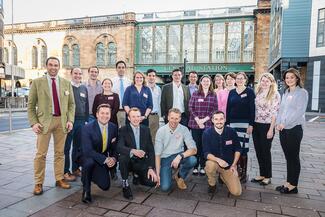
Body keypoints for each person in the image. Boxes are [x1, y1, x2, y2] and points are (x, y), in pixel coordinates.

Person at [27, 57, 75, 195]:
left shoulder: (66, 83)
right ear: (46, 66)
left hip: (62, 122)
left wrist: (70, 120)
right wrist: (34, 123)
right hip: (44, 123)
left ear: (59, 67)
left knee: (60, 153)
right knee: (41, 154)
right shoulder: (37, 83)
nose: (53, 67)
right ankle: (38, 182)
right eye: (51, 65)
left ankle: (59, 179)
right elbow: (30, 106)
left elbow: (72, 104)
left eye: (56, 65)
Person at [275, 68, 308, 194]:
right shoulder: (286, 92)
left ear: (297, 78)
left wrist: (284, 123)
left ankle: (293, 185)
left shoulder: (302, 93)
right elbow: (281, 110)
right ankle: (288, 182)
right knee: (288, 157)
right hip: (283, 129)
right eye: (287, 78)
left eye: (292, 77)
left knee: (294, 157)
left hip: (294, 128)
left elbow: (299, 112)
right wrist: (278, 123)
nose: (289, 80)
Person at [117, 108, 158, 200]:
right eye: (133, 116)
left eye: (138, 116)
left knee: (152, 182)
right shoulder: (123, 130)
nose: (136, 119)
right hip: (129, 160)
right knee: (123, 157)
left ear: (141, 118)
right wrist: (133, 151)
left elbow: (151, 150)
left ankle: (137, 175)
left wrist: (151, 168)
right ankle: (125, 183)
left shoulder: (146, 130)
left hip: (141, 161)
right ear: (129, 118)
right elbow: (119, 147)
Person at [81, 104, 118, 203]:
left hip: (101, 157)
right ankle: (86, 189)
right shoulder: (87, 128)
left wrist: (113, 159)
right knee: (89, 163)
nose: (104, 116)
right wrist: (106, 160)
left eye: (107, 113)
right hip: (87, 156)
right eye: (102, 113)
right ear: (97, 114)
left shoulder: (113, 127)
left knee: (105, 186)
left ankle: (91, 174)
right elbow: (88, 151)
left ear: (110, 115)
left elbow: (115, 148)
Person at [155, 108, 197, 192]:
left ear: (180, 119)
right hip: (165, 158)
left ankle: (179, 176)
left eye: (177, 118)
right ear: (168, 117)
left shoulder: (184, 129)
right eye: (172, 118)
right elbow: (157, 155)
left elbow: (194, 149)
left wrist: (180, 156)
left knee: (192, 160)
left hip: (179, 156)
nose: (174, 121)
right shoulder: (161, 131)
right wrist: (157, 174)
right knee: (165, 188)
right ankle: (167, 173)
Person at [203, 111, 242, 196]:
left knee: (237, 192)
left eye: (221, 119)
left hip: (228, 165)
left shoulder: (232, 132)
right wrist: (218, 160)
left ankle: (222, 176)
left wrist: (234, 165)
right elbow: (206, 153)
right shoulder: (207, 133)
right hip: (215, 162)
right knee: (210, 165)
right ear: (212, 120)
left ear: (225, 120)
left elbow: (238, 149)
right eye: (216, 119)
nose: (219, 121)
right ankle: (212, 184)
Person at [251, 73, 280, 186]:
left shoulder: (275, 94)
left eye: (267, 81)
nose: (264, 83)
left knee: (265, 151)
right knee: (258, 150)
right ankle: (262, 174)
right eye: (262, 80)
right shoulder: (258, 92)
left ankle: (268, 176)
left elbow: (275, 113)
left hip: (267, 125)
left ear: (272, 82)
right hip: (256, 124)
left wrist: (271, 129)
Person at [226, 72, 255, 183]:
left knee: (243, 149)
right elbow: (228, 109)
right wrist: (227, 123)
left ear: (245, 80)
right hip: (232, 123)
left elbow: (252, 109)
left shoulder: (249, 92)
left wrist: (251, 124)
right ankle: (236, 170)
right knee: (234, 148)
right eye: (237, 78)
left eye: (241, 78)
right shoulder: (232, 92)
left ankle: (243, 173)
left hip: (244, 124)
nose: (239, 80)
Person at [188, 75, 217, 176]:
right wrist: (197, 120)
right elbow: (191, 107)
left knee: (205, 145)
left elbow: (215, 109)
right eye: (204, 81)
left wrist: (204, 120)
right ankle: (195, 166)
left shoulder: (213, 94)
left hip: (208, 124)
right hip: (195, 124)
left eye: (207, 81)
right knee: (196, 145)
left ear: (210, 83)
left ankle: (203, 165)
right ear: (200, 82)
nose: (205, 82)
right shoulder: (196, 93)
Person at [64, 67, 89, 182]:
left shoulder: (84, 88)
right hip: (69, 120)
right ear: (71, 74)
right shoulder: (67, 87)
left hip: (81, 121)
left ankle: (75, 168)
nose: (78, 75)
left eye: (80, 74)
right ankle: (65, 171)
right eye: (75, 73)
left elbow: (86, 105)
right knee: (67, 147)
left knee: (78, 147)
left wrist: (86, 119)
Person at [112, 60, 131, 127]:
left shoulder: (129, 82)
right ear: (116, 69)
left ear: (125, 69)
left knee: (125, 130)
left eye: (123, 67)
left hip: (127, 111)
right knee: (115, 130)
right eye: (119, 67)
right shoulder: (112, 81)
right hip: (115, 111)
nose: (121, 69)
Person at [146, 69, 161, 144]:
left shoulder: (158, 89)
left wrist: (160, 116)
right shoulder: (144, 88)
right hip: (146, 116)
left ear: (155, 77)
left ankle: (153, 154)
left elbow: (159, 102)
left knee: (154, 136)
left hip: (155, 116)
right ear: (147, 77)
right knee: (145, 136)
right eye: (149, 76)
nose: (151, 77)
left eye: (153, 76)